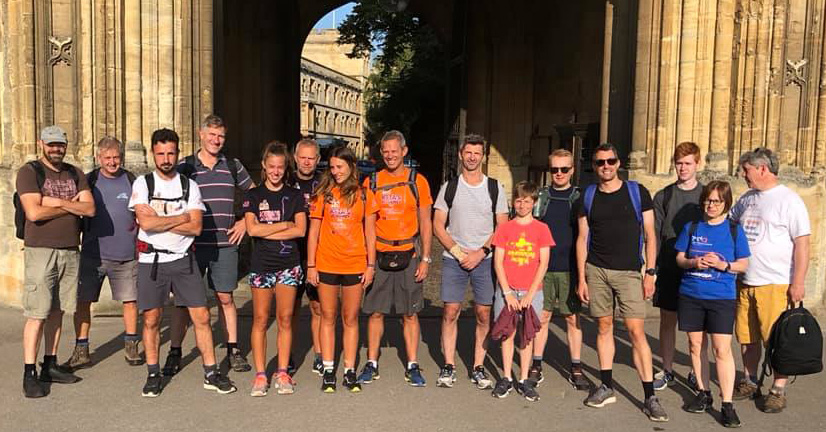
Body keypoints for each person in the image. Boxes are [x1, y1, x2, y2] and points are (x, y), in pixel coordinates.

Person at [129, 128, 236, 397]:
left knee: (201, 316)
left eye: (171, 153)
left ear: (178, 153)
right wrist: (180, 217)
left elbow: (196, 227)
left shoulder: (189, 185)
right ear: (153, 153)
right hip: (151, 260)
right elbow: (145, 222)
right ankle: (154, 373)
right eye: (160, 153)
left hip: (183, 260)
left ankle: (211, 372)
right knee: (152, 319)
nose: (166, 158)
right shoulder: (143, 184)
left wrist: (161, 222)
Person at [575, 143, 668, 422]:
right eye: (600, 162)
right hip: (597, 270)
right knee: (603, 327)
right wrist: (582, 277)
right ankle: (606, 385)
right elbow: (582, 238)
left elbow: (651, 234)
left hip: (629, 272)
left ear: (618, 163)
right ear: (594, 166)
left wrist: (650, 272)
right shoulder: (588, 195)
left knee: (635, 331)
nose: (606, 166)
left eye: (611, 161)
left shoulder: (637, 192)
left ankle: (650, 394)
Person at [163, 115, 254, 376]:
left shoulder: (233, 165)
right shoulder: (186, 167)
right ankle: (175, 351)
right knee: (183, 301)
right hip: (190, 245)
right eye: (212, 135)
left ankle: (233, 349)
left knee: (225, 297)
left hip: (224, 244)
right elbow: (169, 198)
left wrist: (244, 224)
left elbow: (254, 195)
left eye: (221, 136)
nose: (216, 140)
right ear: (200, 134)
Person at [730, 147, 811, 413]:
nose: (744, 175)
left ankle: (778, 389)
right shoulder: (747, 199)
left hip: (775, 283)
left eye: (747, 170)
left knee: (776, 340)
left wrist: (798, 282)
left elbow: (802, 244)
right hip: (746, 281)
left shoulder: (789, 200)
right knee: (747, 337)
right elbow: (729, 224)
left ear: (762, 169)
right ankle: (750, 380)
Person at [17, 125, 95, 398]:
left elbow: (90, 208)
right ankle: (29, 372)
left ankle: (49, 364)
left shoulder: (75, 173)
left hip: (70, 250)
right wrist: (67, 204)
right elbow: (34, 213)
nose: (56, 149)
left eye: (60, 144)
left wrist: (52, 201)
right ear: (41, 144)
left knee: (58, 310)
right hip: (41, 250)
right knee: (37, 313)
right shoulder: (30, 172)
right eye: (51, 144)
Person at [358, 131, 433, 387]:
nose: (389, 155)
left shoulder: (418, 181)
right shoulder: (372, 182)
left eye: (394, 150)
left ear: (404, 151)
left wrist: (426, 258)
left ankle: (412, 364)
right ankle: (372, 362)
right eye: (385, 151)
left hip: (409, 254)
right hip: (379, 254)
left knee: (410, 314)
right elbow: (366, 224)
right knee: (375, 312)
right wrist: (368, 261)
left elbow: (425, 221)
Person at [433, 133, 508, 389]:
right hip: (454, 258)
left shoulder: (495, 187)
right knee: (451, 311)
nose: (473, 157)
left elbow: (502, 226)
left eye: (477, 153)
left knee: (483, 312)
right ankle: (449, 364)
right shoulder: (449, 187)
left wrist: (481, 252)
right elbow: (438, 224)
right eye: (468, 152)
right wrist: (457, 251)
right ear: (461, 155)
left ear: (483, 156)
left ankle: (478, 365)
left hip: (484, 259)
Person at [675, 180, 749, 428]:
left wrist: (723, 265)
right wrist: (694, 263)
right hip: (691, 294)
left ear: (725, 203)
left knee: (722, 350)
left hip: (721, 297)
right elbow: (680, 258)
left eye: (716, 201)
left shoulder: (734, 230)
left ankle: (727, 404)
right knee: (696, 345)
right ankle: (703, 393)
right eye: (707, 200)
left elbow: (743, 264)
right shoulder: (692, 227)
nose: (710, 205)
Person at [65, 137, 142, 371]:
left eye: (116, 157)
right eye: (107, 158)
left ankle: (131, 345)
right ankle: (81, 349)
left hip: (126, 253)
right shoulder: (88, 181)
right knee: (83, 302)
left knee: (130, 302)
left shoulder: (132, 181)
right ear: (99, 158)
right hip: (93, 254)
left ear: (122, 157)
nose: (112, 162)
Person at [306, 145, 378, 393]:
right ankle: (328, 370)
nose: (335, 171)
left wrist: (371, 265)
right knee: (327, 316)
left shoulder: (365, 194)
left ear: (351, 167)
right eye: (332, 167)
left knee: (350, 318)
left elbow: (370, 231)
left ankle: (348, 370)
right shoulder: (323, 193)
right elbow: (313, 231)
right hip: (326, 262)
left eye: (340, 167)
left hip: (355, 263)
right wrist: (311, 265)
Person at [243, 142, 307, 396]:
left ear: (285, 168)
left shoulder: (294, 196)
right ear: (264, 166)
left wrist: (266, 229)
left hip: (288, 265)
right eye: (272, 166)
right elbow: (251, 230)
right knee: (260, 319)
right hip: (262, 265)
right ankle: (260, 375)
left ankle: (282, 372)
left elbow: (300, 230)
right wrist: (283, 225)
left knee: (285, 319)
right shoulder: (253, 196)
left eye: (280, 167)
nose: (276, 171)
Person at [530, 149, 588, 390]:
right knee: (542, 317)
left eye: (564, 169)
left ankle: (576, 366)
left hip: (569, 268)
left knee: (572, 318)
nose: (559, 174)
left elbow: (585, 236)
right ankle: (536, 364)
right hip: (544, 267)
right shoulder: (541, 196)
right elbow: (531, 231)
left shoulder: (579, 198)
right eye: (555, 169)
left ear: (572, 170)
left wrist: (582, 274)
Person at [490, 181, 553, 402]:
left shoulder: (541, 229)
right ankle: (507, 376)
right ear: (512, 202)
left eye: (527, 201)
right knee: (507, 332)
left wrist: (529, 294)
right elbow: (498, 261)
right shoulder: (505, 228)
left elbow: (542, 263)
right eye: (518, 200)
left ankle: (524, 378)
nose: (522, 205)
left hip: (531, 291)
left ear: (534, 202)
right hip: (508, 289)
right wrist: (506, 292)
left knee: (527, 335)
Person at [651, 142, 706, 391]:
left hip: (698, 267)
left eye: (688, 163)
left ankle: (697, 370)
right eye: (679, 163)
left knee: (697, 326)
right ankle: (668, 369)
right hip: (669, 265)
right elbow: (654, 233)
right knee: (667, 320)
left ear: (697, 164)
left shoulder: (707, 196)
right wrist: (651, 270)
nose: (682, 168)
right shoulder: (664, 195)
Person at [289, 138, 324, 375]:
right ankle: (288, 354)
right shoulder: (285, 182)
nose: (307, 162)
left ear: (318, 160)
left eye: (311, 158)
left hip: (317, 254)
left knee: (317, 306)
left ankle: (320, 355)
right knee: (289, 308)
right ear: (295, 157)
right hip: (290, 252)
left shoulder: (325, 184)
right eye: (303, 157)